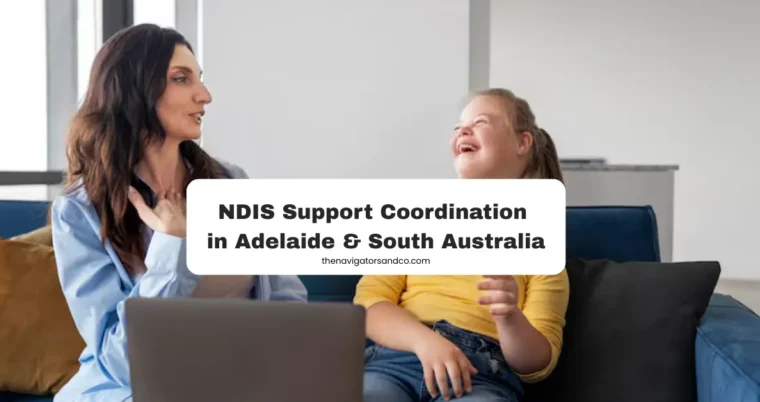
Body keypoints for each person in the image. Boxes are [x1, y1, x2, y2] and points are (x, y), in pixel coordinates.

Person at [50, 24, 307, 402]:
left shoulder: (232, 183)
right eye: (181, 79)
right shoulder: (78, 210)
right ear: (133, 88)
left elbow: (287, 301)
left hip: (239, 378)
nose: (205, 95)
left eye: (199, 79)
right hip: (137, 389)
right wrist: (172, 247)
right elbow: (121, 360)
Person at [355, 88, 570, 402]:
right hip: (394, 363)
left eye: (480, 122)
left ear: (522, 143)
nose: (462, 131)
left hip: (480, 376)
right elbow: (369, 307)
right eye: (458, 127)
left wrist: (509, 316)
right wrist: (426, 342)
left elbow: (536, 365)